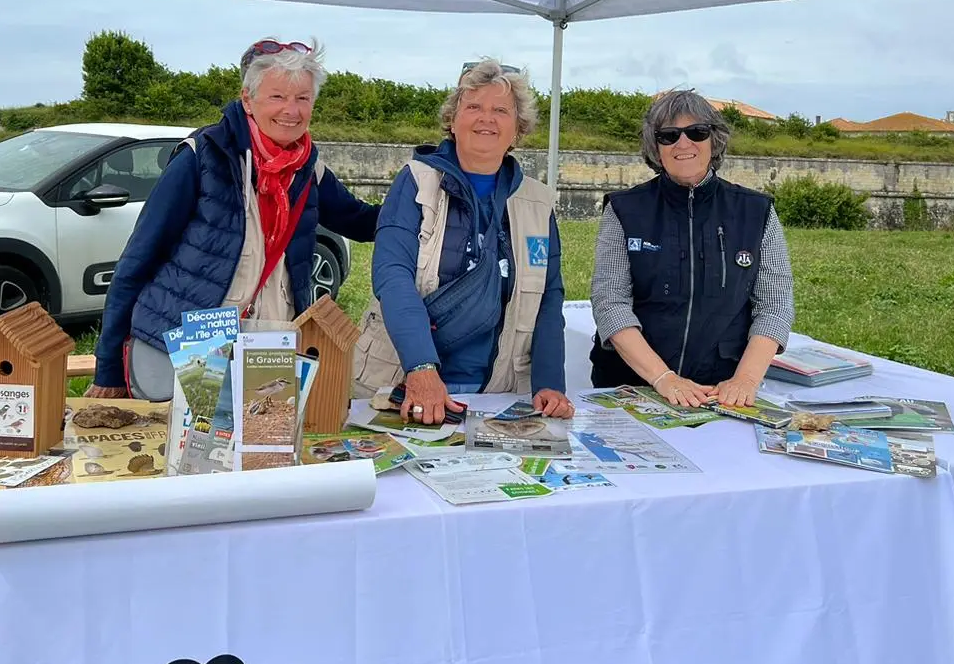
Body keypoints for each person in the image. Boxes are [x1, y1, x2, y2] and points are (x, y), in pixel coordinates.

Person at [86, 39, 379, 401]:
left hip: (270, 335)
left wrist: (420, 195)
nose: (291, 110)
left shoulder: (307, 167)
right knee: (187, 448)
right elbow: (138, 260)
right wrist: (109, 367)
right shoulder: (203, 157)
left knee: (261, 445)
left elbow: (362, 221)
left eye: (302, 98)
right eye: (277, 97)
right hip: (195, 338)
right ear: (247, 99)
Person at [353, 59, 574, 424]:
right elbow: (393, 277)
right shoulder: (416, 181)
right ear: (453, 121)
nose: (486, 118)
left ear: (518, 129)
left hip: (496, 396)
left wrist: (550, 383)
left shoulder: (537, 202)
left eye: (501, 110)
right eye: (473, 107)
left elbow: (549, 296)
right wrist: (421, 368)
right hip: (402, 385)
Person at [589, 90, 795, 409]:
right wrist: (663, 378)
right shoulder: (623, 209)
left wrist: (746, 380)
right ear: (655, 147)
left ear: (714, 140)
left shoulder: (757, 211)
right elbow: (610, 302)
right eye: (669, 136)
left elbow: (775, 304)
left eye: (696, 132)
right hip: (630, 385)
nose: (683, 144)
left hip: (720, 390)